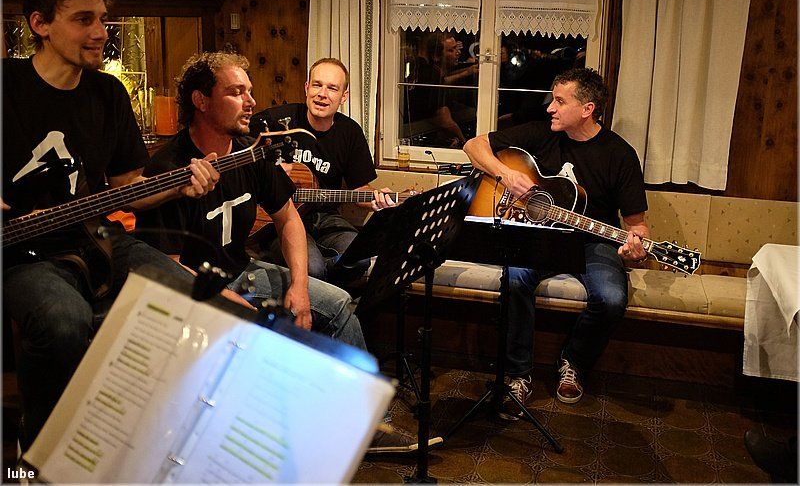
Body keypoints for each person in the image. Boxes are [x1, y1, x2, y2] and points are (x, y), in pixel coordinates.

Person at [137, 52, 440, 453]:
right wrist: (237, 306)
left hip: (240, 270)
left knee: (339, 303)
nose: (250, 101)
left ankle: (367, 424)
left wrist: (299, 285)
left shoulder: (248, 152)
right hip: (193, 292)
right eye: (236, 92)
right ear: (201, 100)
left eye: (249, 91)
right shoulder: (169, 169)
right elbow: (169, 269)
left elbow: (288, 218)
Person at [2, 0, 220, 450]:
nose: (101, 32)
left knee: (193, 299)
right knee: (64, 321)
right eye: (84, 19)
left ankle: (131, 432)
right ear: (40, 24)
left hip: (95, 238)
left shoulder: (108, 93)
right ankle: (40, 448)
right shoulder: (6, 85)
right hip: (18, 253)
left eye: (102, 19)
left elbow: (130, 187)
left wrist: (180, 186)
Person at [463, 67, 649, 417]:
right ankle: (518, 374)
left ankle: (573, 362)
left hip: (594, 242)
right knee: (514, 278)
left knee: (611, 299)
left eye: (560, 102)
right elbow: (473, 145)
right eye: (552, 100)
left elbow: (637, 226)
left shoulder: (619, 154)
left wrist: (634, 249)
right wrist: (506, 174)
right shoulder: (541, 132)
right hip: (541, 235)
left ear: (587, 109)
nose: (550, 107)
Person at [249, 58, 396, 287]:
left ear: (343, 97)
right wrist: (270, 171)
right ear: (306, 87)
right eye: (317, 85)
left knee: (359, 257)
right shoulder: (277, 121)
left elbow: (359, 188)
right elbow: (238, 150)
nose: (322, 94)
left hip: (325, 217)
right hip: (281, 217)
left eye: (332, 88)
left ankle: (319, 294)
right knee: (312, 268)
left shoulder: (350, 132)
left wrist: (377, 199)